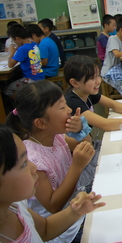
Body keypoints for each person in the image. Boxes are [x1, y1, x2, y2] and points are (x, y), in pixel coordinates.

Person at [5, 80, 96, 242]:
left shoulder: (57, 138)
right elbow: (54, 206)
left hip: (74, 207)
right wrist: (76, 166)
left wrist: (80, 130)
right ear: (41, 123)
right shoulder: (33, 157)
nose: (69, 110)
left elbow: (86, 146)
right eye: (62, 108)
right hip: (64, 231)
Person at [0, 124, 105, 243]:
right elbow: (53, 205)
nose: (34, 167)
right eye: (24, 164)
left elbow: (45, 230)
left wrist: (75, 211)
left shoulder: (16, 205)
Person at [4, 25, 45, 98]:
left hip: (30, 79)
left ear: (17, 38)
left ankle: (22, 105)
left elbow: (10, 65)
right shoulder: (34, 44)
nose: (14, 43)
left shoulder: (22, 49)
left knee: (7, 89)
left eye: (13, 41)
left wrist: (12, 52)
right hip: (40, 76)